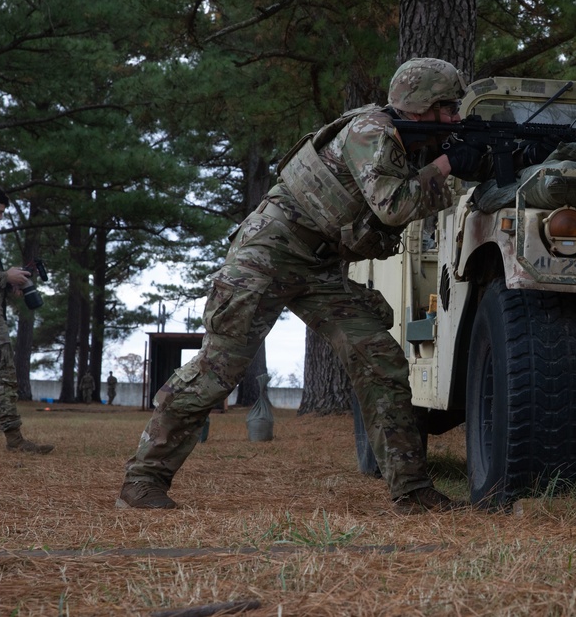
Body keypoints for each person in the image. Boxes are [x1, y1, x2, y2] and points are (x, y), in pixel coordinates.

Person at [116, 58, 494, 512]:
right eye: (448, 107)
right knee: (218, 371)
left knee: (381, 361)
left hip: (319, 267)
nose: (455, 116)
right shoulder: (369, 133)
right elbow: (393, 206)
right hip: (266, 258)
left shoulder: (408, 140)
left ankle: (412, 491)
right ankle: (143, 480)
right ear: (420, 106)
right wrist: (448, 166)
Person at [0, 183, 54, 454]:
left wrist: (8, 284)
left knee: (2, 376)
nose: (0, 217)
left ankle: (15, 438)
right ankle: (14, 440)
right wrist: (5, 277)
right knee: (2, 377)